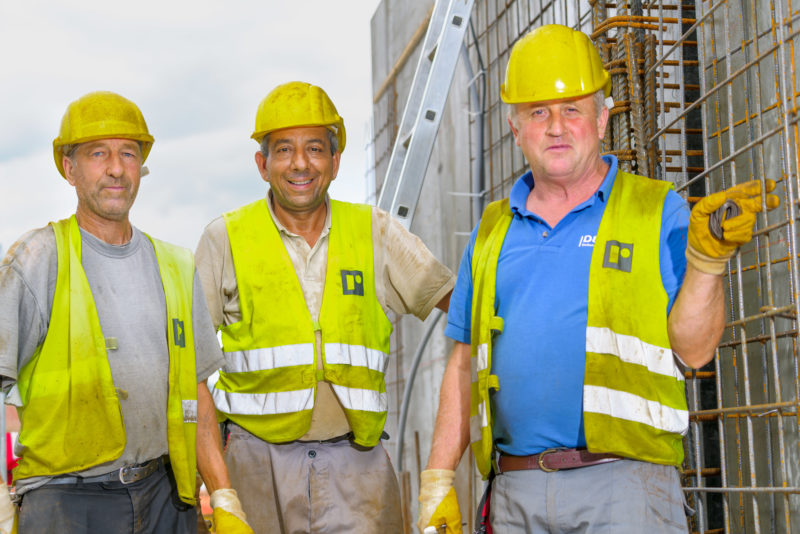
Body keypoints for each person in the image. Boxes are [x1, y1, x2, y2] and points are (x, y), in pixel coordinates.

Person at [417, 24, 780, 534]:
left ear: (603, 118)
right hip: (515, 493)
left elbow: (695, 353)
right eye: (537, 112)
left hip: (625, 489)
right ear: (515, 127)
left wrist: (706, 261)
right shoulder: (491, 230)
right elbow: (462, 365)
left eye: (573, 110)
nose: (556, 127)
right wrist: (437, 477)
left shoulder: (656, 210)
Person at [195, 81, 455, 533]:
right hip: (254, 463)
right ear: (262, 164)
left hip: (357, 466)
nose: (300, 163)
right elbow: (187, 367)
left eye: (315, 148)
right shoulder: (225, 238)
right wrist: (219, 487)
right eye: (283, 150)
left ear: (335, 162)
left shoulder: (374, 231)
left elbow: (466, 306)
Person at [0, 91, 253, 534]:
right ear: (69, 167)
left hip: (164, 496)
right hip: (65, 500)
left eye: (128, 154)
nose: (116, 169)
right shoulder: (36, 260)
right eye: (98, 154)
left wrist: (224, 493)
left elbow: (196, 394)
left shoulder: (176, 266)